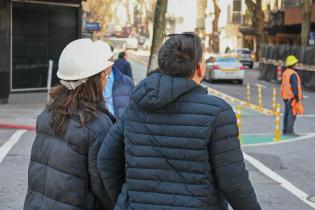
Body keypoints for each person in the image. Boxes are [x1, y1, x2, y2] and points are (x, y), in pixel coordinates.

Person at [97, 32, 261, 210]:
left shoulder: (136, 106)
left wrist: (126, 199)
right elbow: (234, 182)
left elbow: (106, 159)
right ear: (199, 68)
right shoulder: (218, 112)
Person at [24, 39, 115, 210]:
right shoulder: (96, 124)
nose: (105, 80)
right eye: (104, 75)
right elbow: (103, 186)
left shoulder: (48, 113)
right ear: (92, 80)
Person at [95, 41, 134, 118]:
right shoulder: (87, 82)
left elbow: (134, 108)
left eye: (109, 57)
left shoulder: (127, 82)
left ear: (112, 57)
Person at [280, 55, 303, 136]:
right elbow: (294, 87)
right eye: (295, 63)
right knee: (292, 114)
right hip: (292, 98)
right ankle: (290, 131)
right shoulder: (293, 74)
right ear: (293, 64)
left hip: (286, 97)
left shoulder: (285, 72)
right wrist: (297, 98)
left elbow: (283, 85)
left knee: (286, 114)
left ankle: (285, 130)